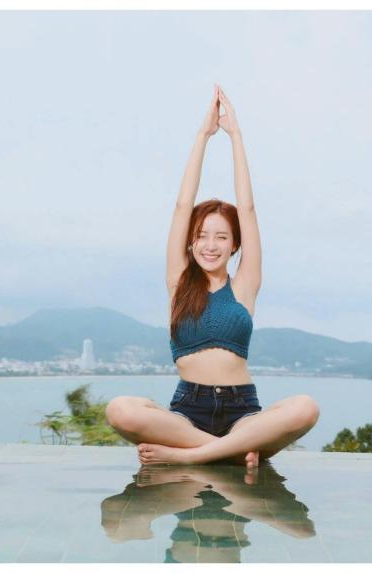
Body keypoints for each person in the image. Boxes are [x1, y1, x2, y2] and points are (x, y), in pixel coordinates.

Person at [105, 84, 320, 469]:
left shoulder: (244, 286)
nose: (210, 245)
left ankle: (195, 458)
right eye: (202, 236)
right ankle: (229, 454)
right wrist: (203, 137)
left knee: (306, 408)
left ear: (235, 244)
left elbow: (249, 209)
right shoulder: (177, 282)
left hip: (244, 413)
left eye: (221, 236)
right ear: (190, 241)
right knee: (120, 410)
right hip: (189, 412)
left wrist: (236, 136)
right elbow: (181, 205)